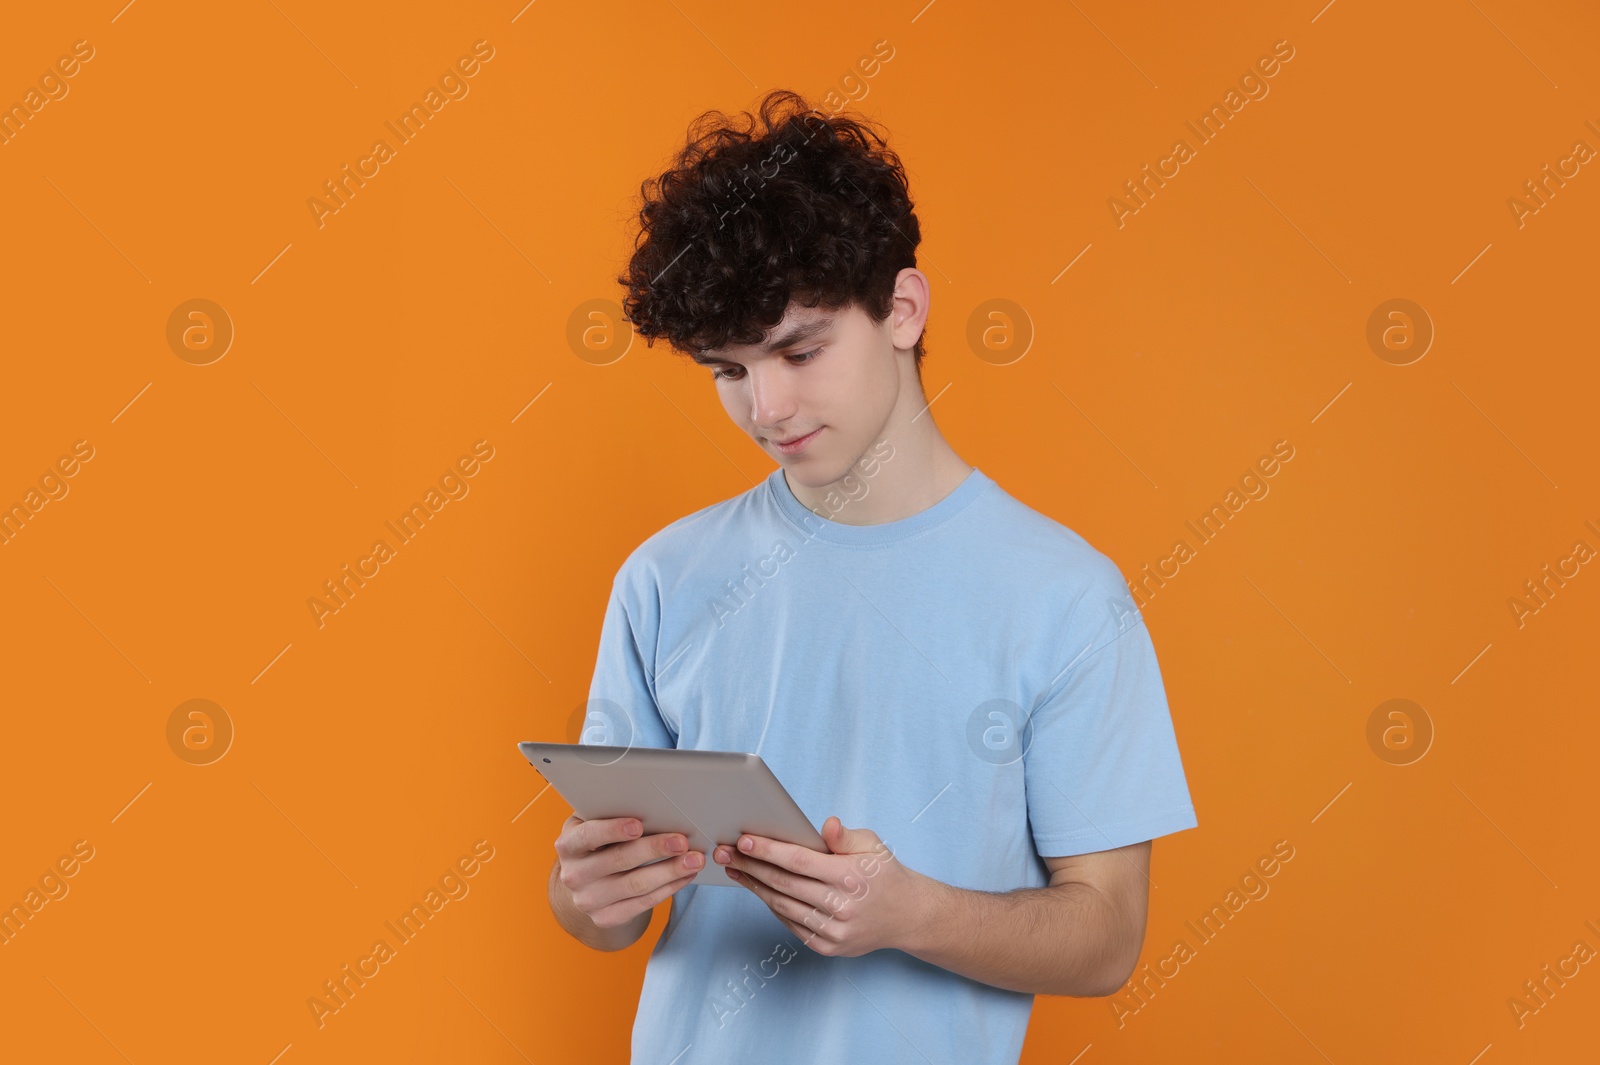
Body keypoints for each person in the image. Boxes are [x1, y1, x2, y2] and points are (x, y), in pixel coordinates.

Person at [547, 88, 1198, 1064]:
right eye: (727, 370)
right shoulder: (664, 576)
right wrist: (584, 896)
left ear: (901, 308)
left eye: (799, 350)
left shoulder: (1066, 598)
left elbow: (1106, 937)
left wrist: (910, 916)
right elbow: (602, 916)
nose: (766, 406)